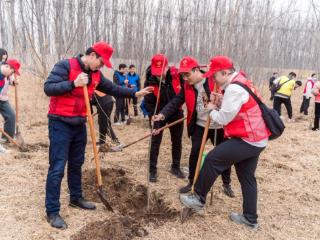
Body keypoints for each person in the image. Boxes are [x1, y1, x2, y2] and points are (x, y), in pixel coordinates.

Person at [44, 41, 153, 229]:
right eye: (101, 63)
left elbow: (113, 88)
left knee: (77, 163)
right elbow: (48, 88)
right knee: (58, 167)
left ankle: (76, 197)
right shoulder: (65, 65)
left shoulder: (95, 74)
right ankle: (52, 211)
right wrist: (73, 83)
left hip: (79, 123)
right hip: (60, 122)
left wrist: (135, 93)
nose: (101, 67)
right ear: (92, 55)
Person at [179, 56, 270, 230]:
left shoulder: (234, 89)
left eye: (215, 76)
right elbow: (238, 108)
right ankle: (250, 218)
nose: (213, 79)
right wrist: (221, 101)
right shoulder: (240, 81)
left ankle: (198, 198)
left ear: (225, 72)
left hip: (247, 138)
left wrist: (211, 109)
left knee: (213, 159)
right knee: (247, 178)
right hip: (258, 138)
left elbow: (224, 119)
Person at [153, 56, 234, 197]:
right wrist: (162, 114)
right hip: (200, 125)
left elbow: (228, 98)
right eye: (183, 75)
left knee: (224, 156)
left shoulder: (213, 80)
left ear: (196, 70)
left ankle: (227, 184)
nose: (185, 78)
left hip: (218, 126)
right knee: (194, 154)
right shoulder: (187, 86)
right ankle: (192, 182)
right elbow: (176, 101)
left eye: (187, 74)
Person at [144, 54, 185, 182]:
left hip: (175, 112)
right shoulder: (149, 80)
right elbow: (149, 103)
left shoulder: (177, 75)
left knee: (177, 141)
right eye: (156, 72)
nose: (158, 75)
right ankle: (152, 170)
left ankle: (175, 166)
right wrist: (153, 119)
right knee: (155, 141)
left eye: (161, 71)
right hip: (158, 114)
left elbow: (184, 94)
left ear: (167, 67)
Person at [0, 59, 20, 143]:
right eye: (12, 71)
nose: (13, 74)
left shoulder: (7, 74)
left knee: (11, 115)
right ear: (7, 67)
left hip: (2, 99)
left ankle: (6, 139)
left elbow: (10, 79)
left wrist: (13, 82)